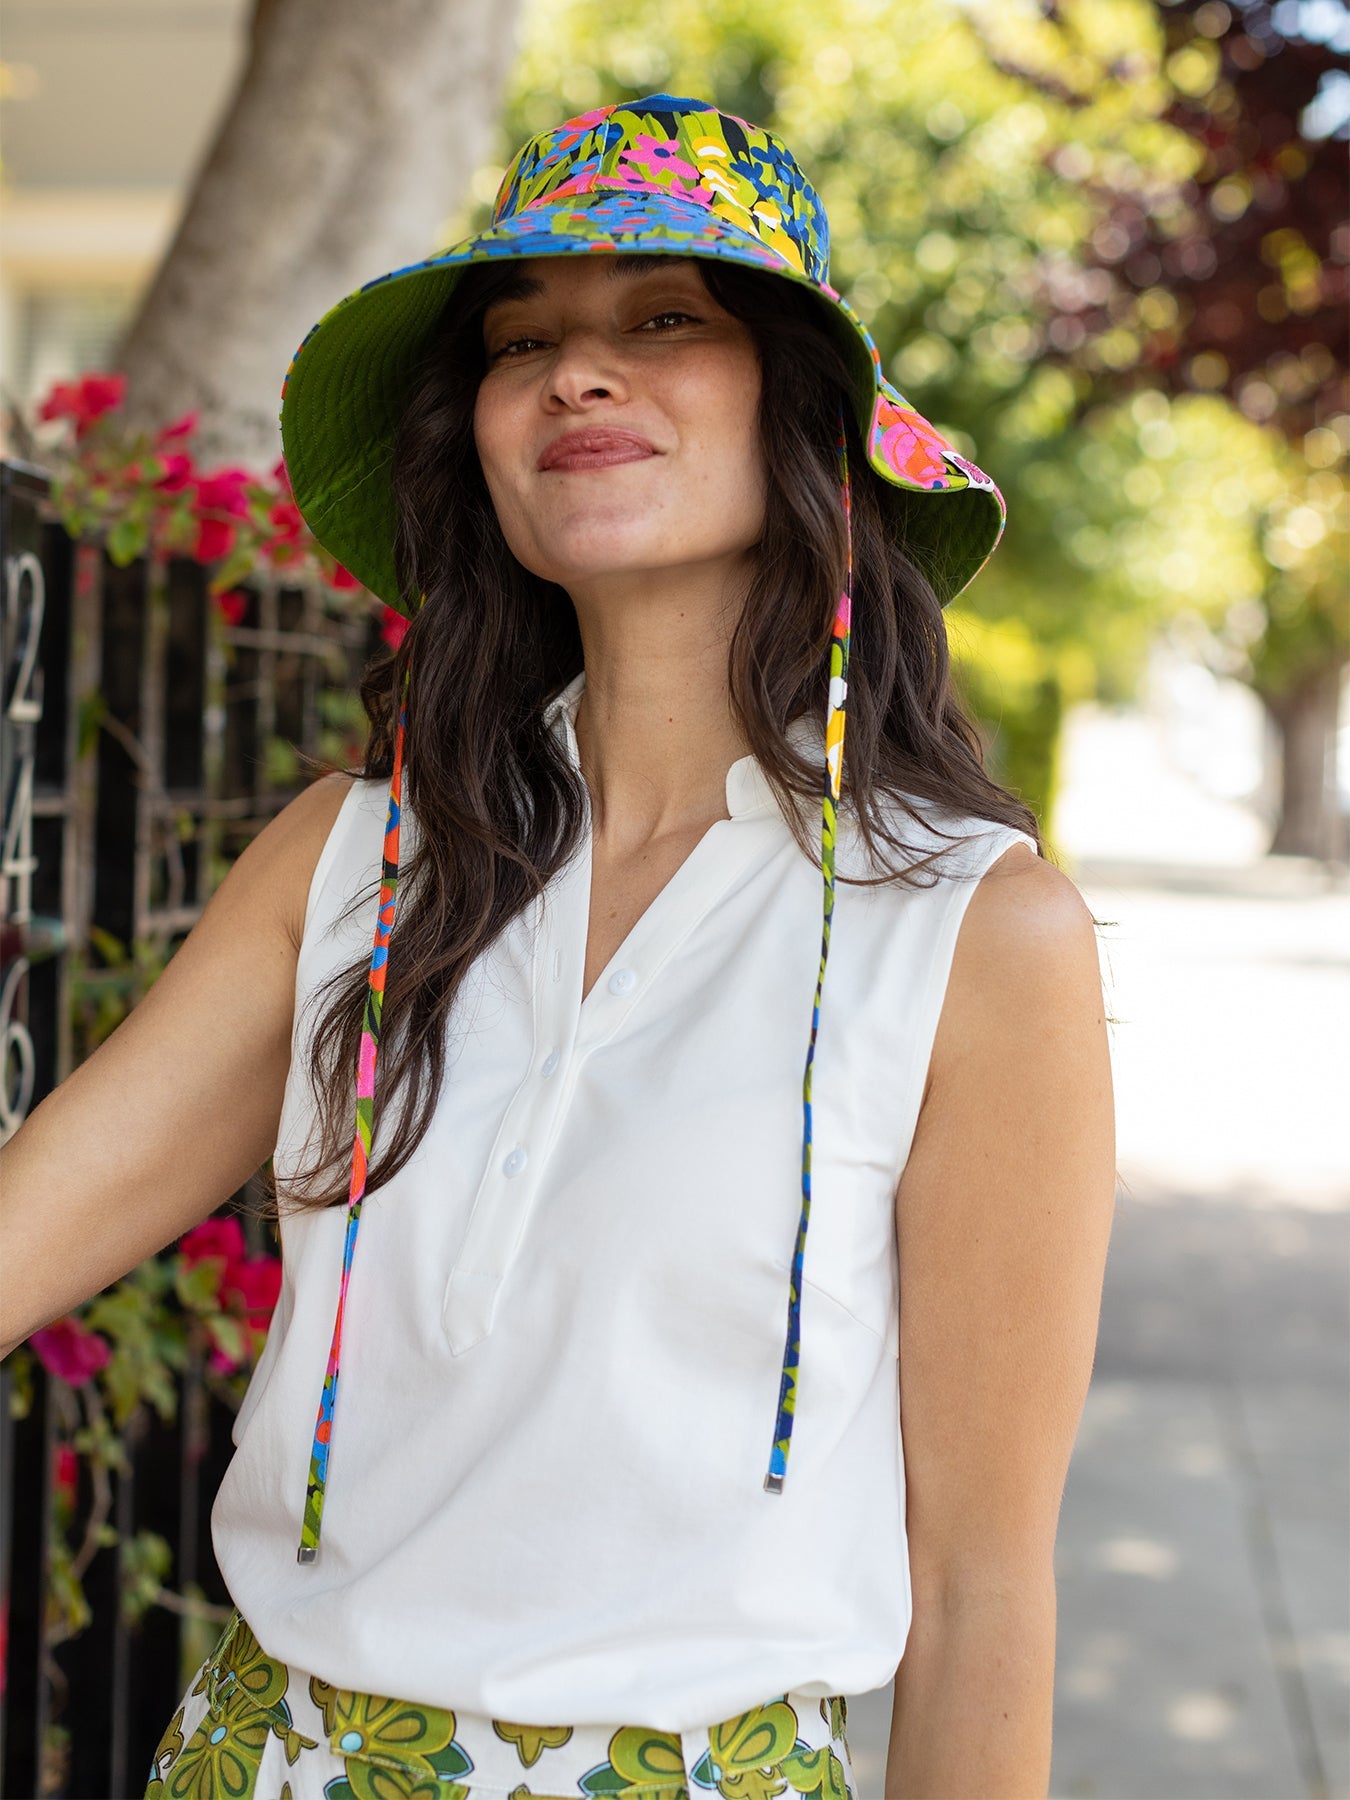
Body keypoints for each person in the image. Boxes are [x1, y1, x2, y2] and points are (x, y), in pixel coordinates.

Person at [0, 95, 1115, 1800]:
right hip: (265, 1760)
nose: (577, 375)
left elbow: (980, 1592)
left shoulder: (970, 931)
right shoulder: (352, 860)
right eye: (522, 342)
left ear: (803, 413)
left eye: (663, 319)